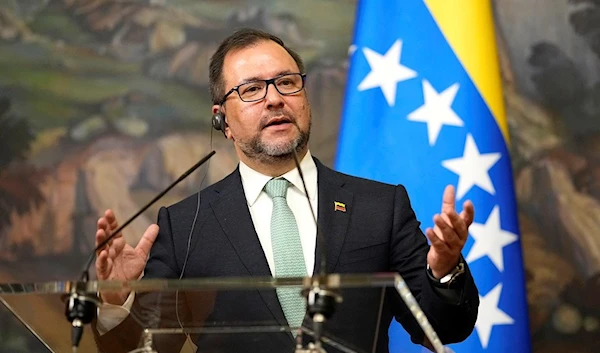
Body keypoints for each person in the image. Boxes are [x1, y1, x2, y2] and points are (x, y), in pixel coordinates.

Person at [92, 28, 479, 353]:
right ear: (221, 119)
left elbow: (444, 329)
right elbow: (143, 347)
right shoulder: (183, 227)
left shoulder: (380, 206)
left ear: (305, 98)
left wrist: (443, 271)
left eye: (287, 83)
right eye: (252, 89)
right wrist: (116, 300)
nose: (275, 98)